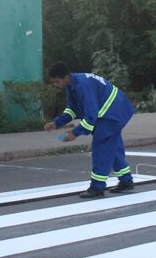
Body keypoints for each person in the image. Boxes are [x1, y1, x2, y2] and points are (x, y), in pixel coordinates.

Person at [44, 62, 137, 199]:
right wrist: (57, 123)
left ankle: (97, 187)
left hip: (111, 113)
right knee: (113, 147)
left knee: (101, 148)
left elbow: (91, 116)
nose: (55, 85)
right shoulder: (72, 84)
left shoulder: (82, 86)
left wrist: (74, 133)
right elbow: (73, 109)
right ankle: (126, 180)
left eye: (57, 82)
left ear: (65, 77)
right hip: (116, 109)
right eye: (53, 82)